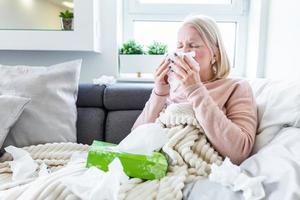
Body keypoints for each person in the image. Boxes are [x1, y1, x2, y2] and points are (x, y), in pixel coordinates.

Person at [131, 15, 257, 165]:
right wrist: (159, 93)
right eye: (179, 46)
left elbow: (239, 151)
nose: (183, 52)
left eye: (193, 46)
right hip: (157, 163)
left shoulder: (236, 87)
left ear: (215, 55)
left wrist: (196, 90)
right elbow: (134, 141)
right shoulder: (170, 90)